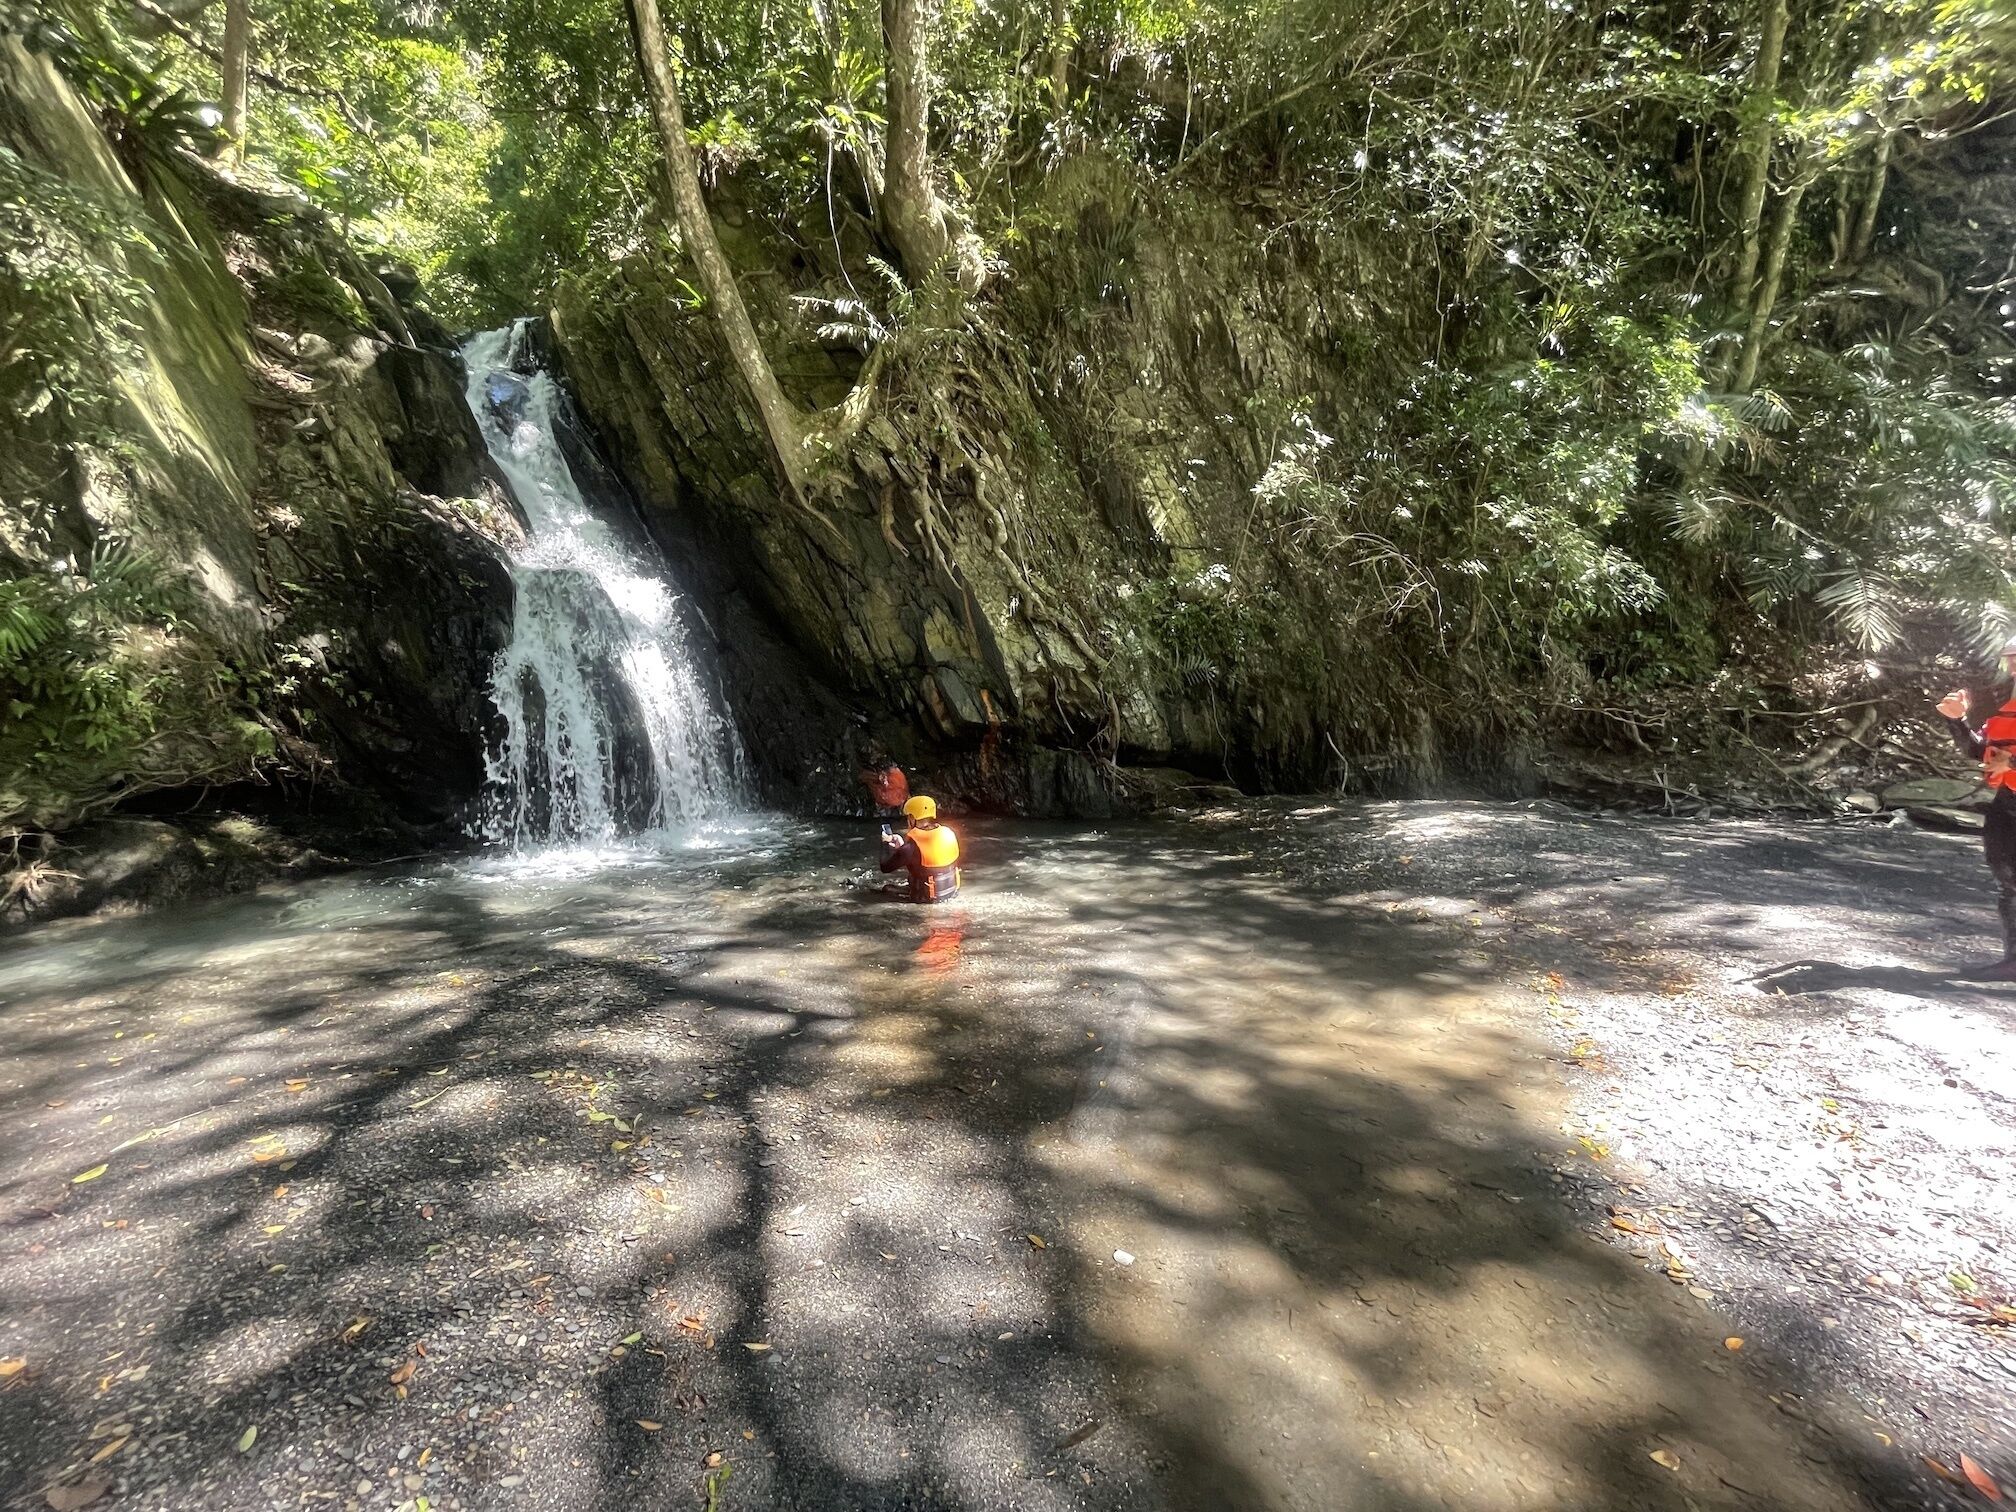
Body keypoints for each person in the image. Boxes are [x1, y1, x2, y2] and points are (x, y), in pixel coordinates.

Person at [1939, 635, 2016, 979]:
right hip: (2009, 801)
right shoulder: (2007, 708)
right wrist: (1958, 720)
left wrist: (2010, 764)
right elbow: (1979, 752)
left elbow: (2004, 759)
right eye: (2010, 658)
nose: (2012, 664)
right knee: (2007, 876)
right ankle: (2012, 962)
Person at [879, 795, 962, 904]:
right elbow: (924, 857)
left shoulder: (910, 848)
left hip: (927, 899)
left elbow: (885, 867)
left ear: (912, 818)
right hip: (951, 893)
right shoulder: (949, 833)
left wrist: (885, 843)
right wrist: (902, 846)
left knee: (886, 889)